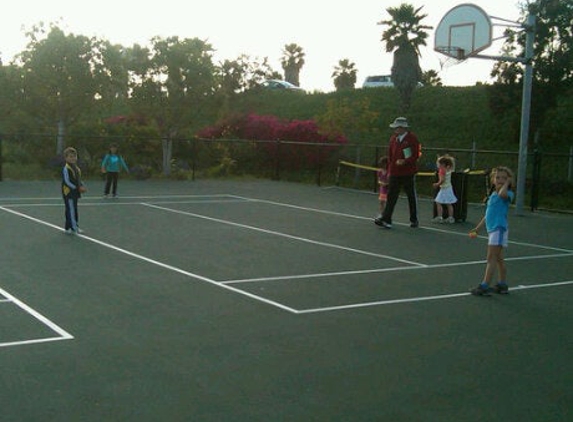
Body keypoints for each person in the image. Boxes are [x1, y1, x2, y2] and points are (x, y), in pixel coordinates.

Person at [470, 166, 515, 296]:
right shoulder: (493, 196)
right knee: (499, 258)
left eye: (504, 178)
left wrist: (507, 184)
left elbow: (503, 194)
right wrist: (478, 228)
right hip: (492, 230)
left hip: (499, 229)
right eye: (498, 177)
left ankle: (485, 285)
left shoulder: (508, 194)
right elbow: (488, 215)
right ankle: (502, 284)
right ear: (493, 180)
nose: (500, 180)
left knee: (491, 258)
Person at [375, 117, 421, 229]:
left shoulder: (411, 139)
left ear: (403, 128)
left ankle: (414, 219)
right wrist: (390, 169)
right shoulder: (393, 139)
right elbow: (390, 155)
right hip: (395, 172)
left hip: (408, 173)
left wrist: (405, 161)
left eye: (397, 127)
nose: (395, 130)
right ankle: (387, 218)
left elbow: (414, 155)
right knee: (391, 195)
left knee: (410, 195)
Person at [61, 147, 86, 235]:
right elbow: (67, 181)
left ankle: (72, 226)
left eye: (74, 156)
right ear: (66, 158)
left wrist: (82, 185)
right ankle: (72, 227)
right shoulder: (66, 168)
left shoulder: (77, 169)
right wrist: (76, 187)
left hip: (75, 192)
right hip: (68, 192)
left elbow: (78, 179)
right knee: (70, 209)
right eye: (70, 156)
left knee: (74, 209)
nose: (73, 158)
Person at [432, 154, 457, 224]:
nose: (438, 165)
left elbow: (442, 180)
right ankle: (451, 217)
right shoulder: (449, 169)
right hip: (449, 187)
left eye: (439, 163)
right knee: (449, 203)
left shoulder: (442, 171)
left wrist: (437, 184)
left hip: (444, 188)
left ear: (442, 164)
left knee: (438, 202)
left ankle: (440, 217)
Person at [374, 156, 389, 222]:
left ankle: (387, 215)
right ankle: (381, 214)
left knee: (388, 203)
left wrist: (387, 184)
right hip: (382, 190)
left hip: (388, 190)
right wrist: (382, 183)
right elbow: (379, 180)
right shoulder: (379, 171)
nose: (383, 165)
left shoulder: (389, 172)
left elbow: (390, 181)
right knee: (381, 203)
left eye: (384, 163)